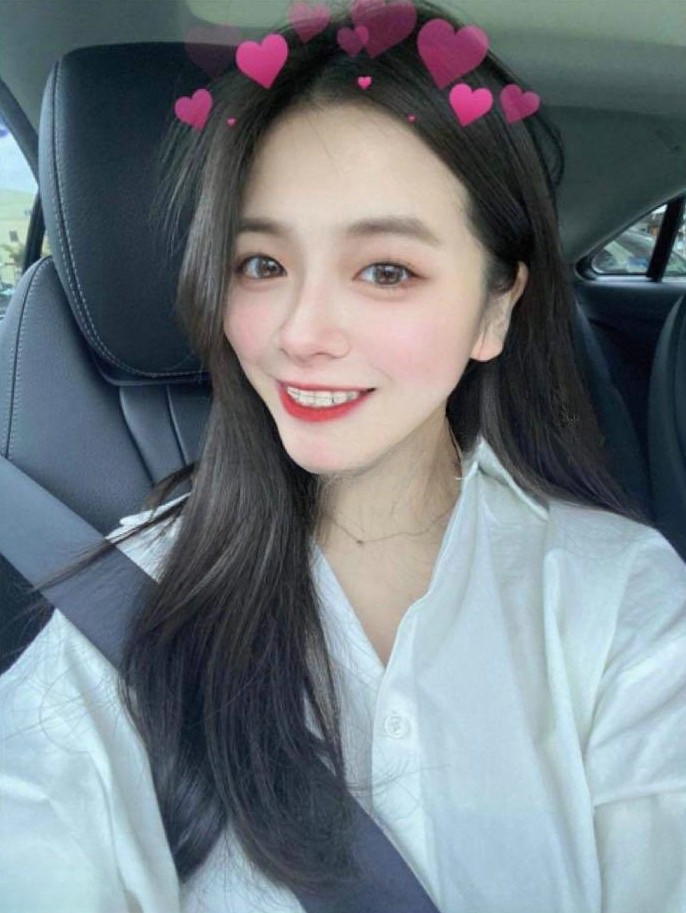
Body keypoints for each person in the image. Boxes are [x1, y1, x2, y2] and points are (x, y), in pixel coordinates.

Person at [2, 1, 685, 911]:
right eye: (261, 264)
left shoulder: (622, 598)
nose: (300, 332)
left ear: (494, 310)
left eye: (386, 270)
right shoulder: (133, 605)